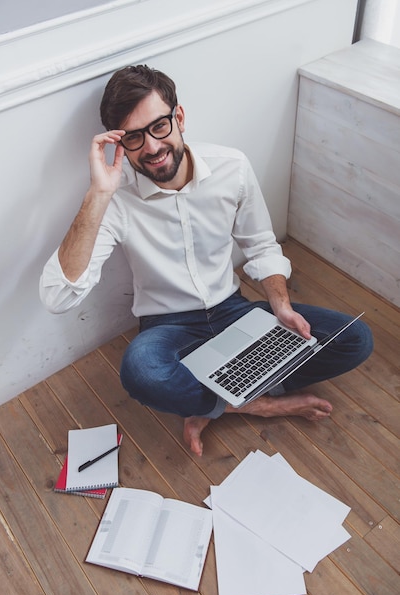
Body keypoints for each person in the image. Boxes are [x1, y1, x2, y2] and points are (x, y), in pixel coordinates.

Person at [40, 65, 373, 456]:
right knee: (141, 370)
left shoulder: (232, 167)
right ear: (119, 145)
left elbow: (262, 245)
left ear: (179, 118)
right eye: (133, 137)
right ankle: (251, 403)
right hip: (169, 327)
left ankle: (214, 399)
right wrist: (98, 193)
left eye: (159, 126)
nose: (150, 147)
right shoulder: (114, 199)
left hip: (234, 312)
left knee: (354, 339)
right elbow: (57, 298)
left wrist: (280, 306)